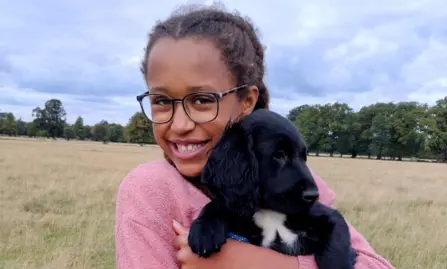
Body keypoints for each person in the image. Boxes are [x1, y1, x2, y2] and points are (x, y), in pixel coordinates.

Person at [115, 4, 396, 269]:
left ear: (247, 100)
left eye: (202, 100)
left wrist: (259, 263)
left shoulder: (295, 183)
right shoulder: (152, 190)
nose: (180, 124)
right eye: (161, 101)